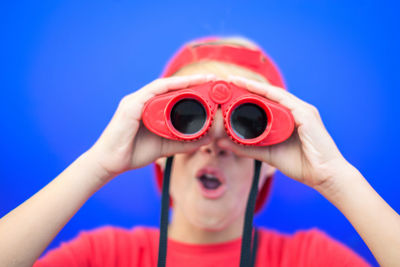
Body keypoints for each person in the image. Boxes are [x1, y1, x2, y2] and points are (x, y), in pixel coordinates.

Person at [0, 36, 398, 267]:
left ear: (276, 151)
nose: (213, 144)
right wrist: (98, 164)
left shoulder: (310, 259)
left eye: (248, 124)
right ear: (159, 149)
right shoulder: (105, 255)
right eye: (189, 118)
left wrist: (335, 176)